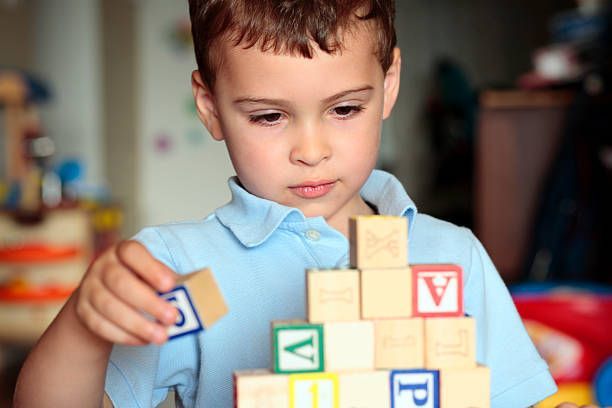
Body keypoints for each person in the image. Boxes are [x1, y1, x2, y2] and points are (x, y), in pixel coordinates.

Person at [14, 1, 561, 407]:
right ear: (210, 107)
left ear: (388, 84)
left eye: (344, 109)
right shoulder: (177, 268)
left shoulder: (452, 256)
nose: (312, 151)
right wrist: (86, 325)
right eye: (269, 117)